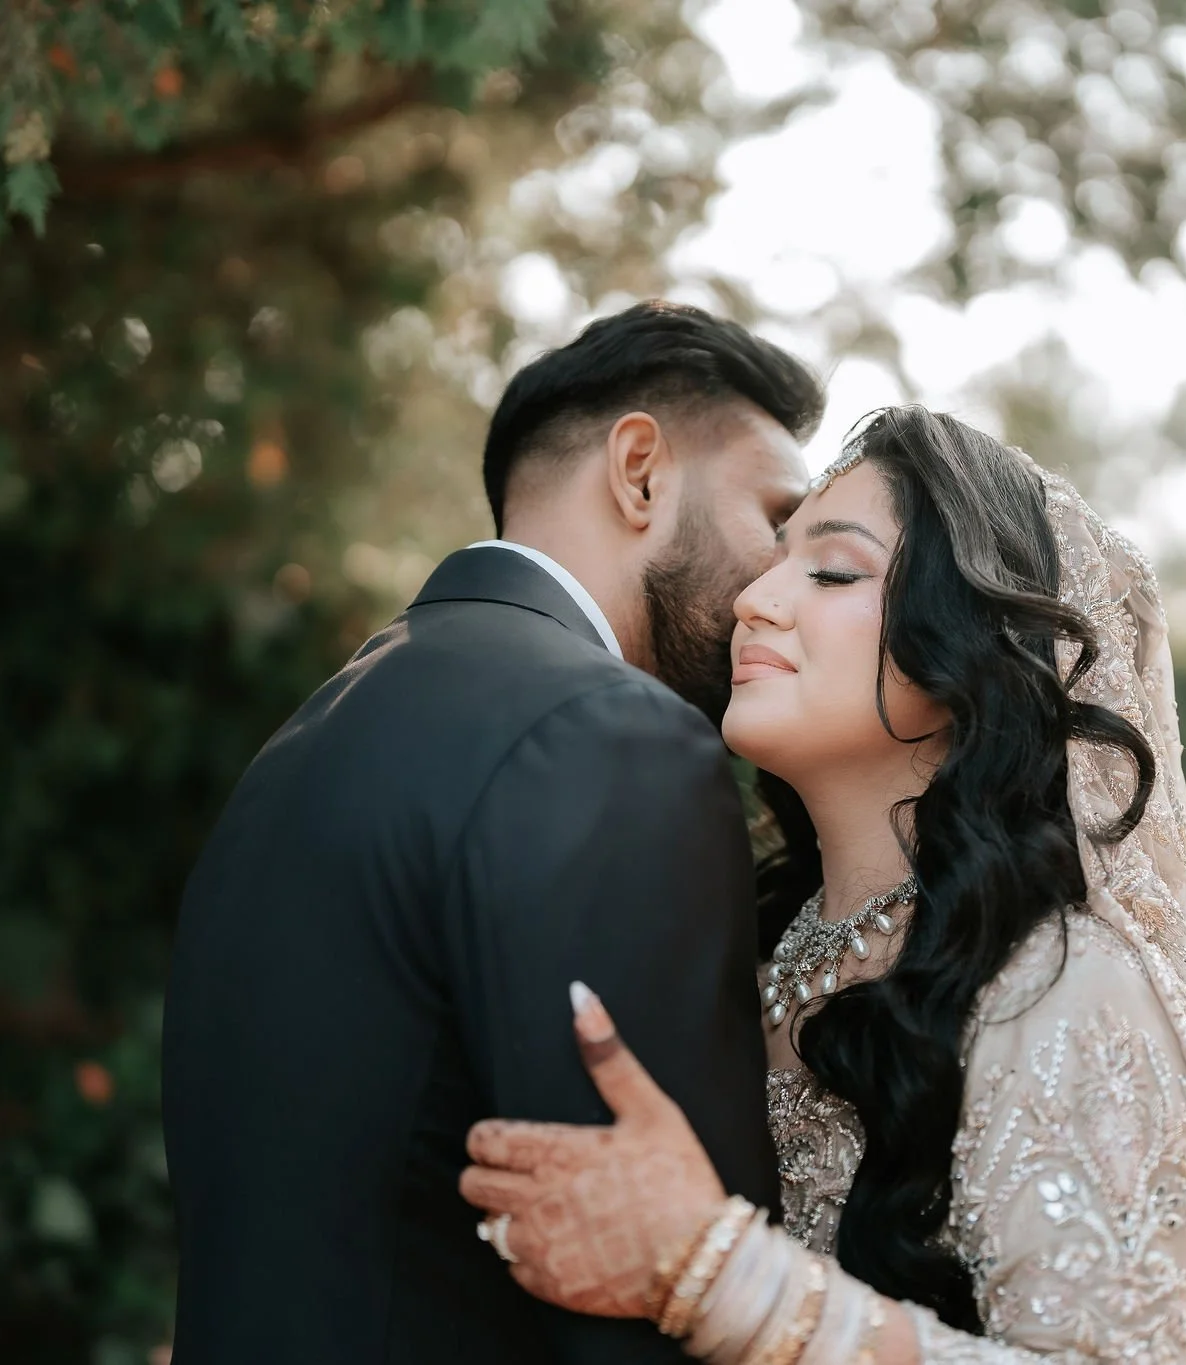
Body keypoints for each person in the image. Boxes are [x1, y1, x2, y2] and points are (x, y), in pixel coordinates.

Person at [458, 406, 1186, 1364]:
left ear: (963, 647)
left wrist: (714, 1271)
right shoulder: (759, 945)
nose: (753, 600)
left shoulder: (1061, 988)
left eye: (833, 570)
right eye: (773, 561)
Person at [161, 301, 824, 1363]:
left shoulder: (310, 735)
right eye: (775, 518)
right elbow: (639, 1285)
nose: (782, 581)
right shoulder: (611, 736)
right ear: (640, 471)